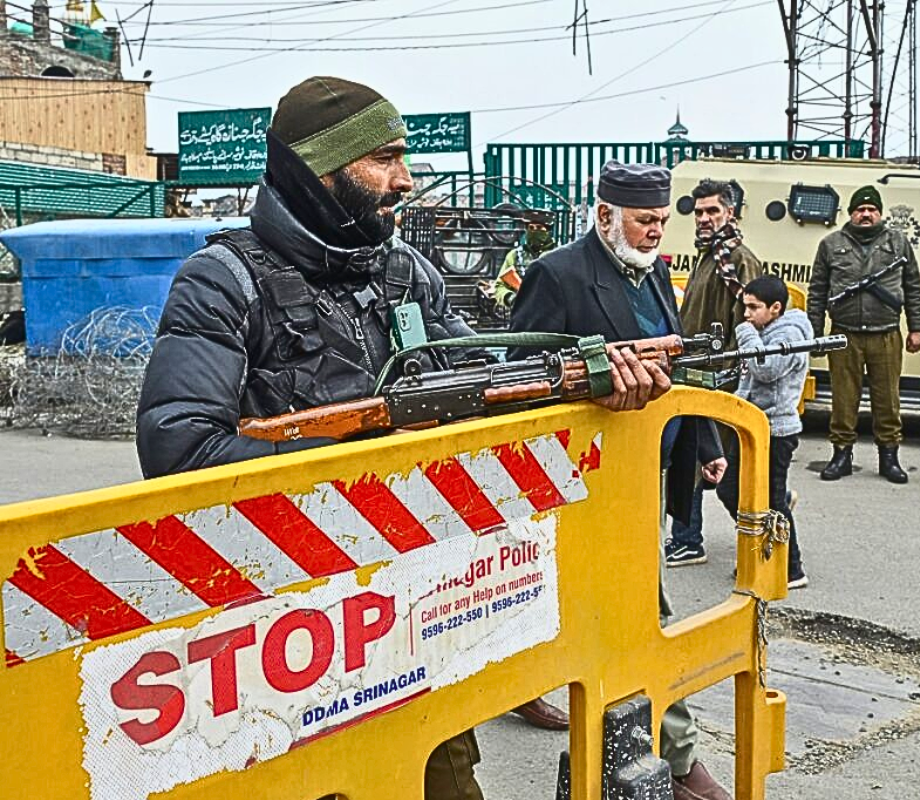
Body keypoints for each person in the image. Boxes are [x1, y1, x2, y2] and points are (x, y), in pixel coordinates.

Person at [136, 77, 668, 800]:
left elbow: (480, 384)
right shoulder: (223, 281)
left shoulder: (404, 272)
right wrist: (367, 468)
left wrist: (585, 383)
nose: (405, 179)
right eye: (383, 159)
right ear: (316, 170)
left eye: (402, 157)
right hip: (283, 642)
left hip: (418, 615)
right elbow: (180, 452)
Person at [509, 160, 732, 800]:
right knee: (642, 615)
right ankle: (679, 759)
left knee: (625, 616)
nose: (656, 231)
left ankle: (646, 753)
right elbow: (520, 378)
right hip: (584, 482)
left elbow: (676, 361)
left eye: (663, 220)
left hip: (645, 473)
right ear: (604, 215)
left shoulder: (657, 272)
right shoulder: (559, 273)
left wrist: (704, 443)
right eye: (644, 220)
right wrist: (592, 379)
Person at [666, 178, 764, 569]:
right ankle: (688, 538)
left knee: (722, 471)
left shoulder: (739, 260)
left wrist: (734, 379)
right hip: (692, 375)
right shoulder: (710, 255)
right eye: (699, 212)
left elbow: (750, 325)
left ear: (731, 213)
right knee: (689, 460)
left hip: (719, 380)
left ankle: (766, 543)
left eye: (713, 211)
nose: (704, 219)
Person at [807, 185, 920, 484]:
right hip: (844, 334)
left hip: (886, 334)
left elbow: (912, 286)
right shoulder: (831, 244)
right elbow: (818, 290)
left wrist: (917, 328)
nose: (866, 214)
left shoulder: (898, 243)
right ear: (851, 214)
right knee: (843, 400)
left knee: (887, 400)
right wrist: (816, 333)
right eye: (860, 209)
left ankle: (889, 458)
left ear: (880, 213)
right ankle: (841, 456)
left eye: (871, 209)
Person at [714, 276, 811, 589]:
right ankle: (761, 540)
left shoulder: (791, 334)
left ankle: (789, 569)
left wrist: (744, 334)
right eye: (745, 307)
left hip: (776, 431)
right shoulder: (762, 329)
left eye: (753, 308)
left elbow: (765, 368)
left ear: (776, 308)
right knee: (729, 489)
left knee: (771, 500)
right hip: (751, 426)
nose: (746, 314)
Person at [492, 208, 557, 310]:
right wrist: (511, 298)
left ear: (548, 231)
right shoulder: (514, 256)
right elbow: (499, 286)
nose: (534, 231)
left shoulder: (560, 255)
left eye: (539, 228)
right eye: (531, 228)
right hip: (522, 315)